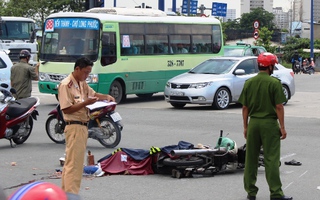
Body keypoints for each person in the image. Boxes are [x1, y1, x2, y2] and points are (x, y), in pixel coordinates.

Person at [238, 52, 292, 200]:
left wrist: (245, 126)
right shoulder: (274, 83)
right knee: (271, 159)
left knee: (251, 159)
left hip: (253, 123)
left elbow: (245, 108)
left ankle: (251, 192)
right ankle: (275, 193)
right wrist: (282, 127)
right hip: (269, 124)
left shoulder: (249, 83)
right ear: (270, 66)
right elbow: (279, 106)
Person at [58, 57, 115, 195]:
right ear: (77, 69)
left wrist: (105, 97)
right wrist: (85, 103)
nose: (87, 75)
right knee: (75, 165)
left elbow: (93, 94)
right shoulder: (66, 85)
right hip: (74, 126)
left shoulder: (82, 83)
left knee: (72, 164)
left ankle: (66, 194)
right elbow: (66, 109)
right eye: (85, 72)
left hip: (82, 126)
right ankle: (71, 194)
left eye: (89, 72)